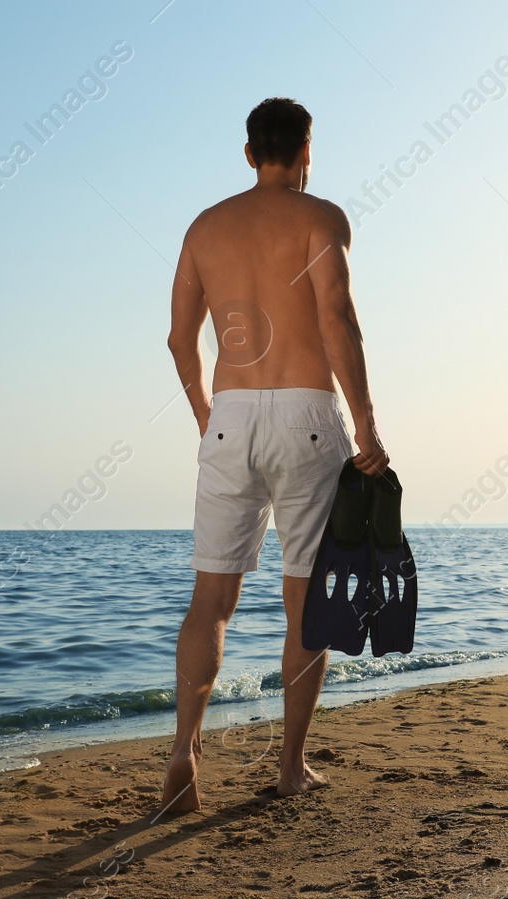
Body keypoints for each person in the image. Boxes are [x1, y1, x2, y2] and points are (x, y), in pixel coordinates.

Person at [159, 97, 388, 814]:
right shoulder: (321, 220)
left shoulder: (205, 227)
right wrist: (369, 424)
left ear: (250, 152)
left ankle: (183, 755)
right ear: (307, 151)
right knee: (304, 606)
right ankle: (289, 765)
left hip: (230, 415)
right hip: (306, 417)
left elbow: (177, 340)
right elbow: (336, 320)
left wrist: (206, 411)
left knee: (212, 602)